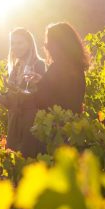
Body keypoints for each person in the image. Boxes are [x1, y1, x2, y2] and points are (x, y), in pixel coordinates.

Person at [20, 22, 90, 155]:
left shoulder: (58, 67)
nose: (46, 47)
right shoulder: (75, 67)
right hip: (71, 132)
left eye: (48, 43)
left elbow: (48, 102)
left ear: (59, 44)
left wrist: (36, 89)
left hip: (57, 134)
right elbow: (62, 93)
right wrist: (41, 81)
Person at [0, 27, 46, 157]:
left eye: (20, 43)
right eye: (12, 43)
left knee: (28, 163)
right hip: (14, 124)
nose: (15, 47)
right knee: (14, 163)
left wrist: (28, 89)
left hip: (31, 123)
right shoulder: (15, 68)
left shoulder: (39, 65)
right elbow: (10, 103)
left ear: (29, 44)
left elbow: (43, 96)